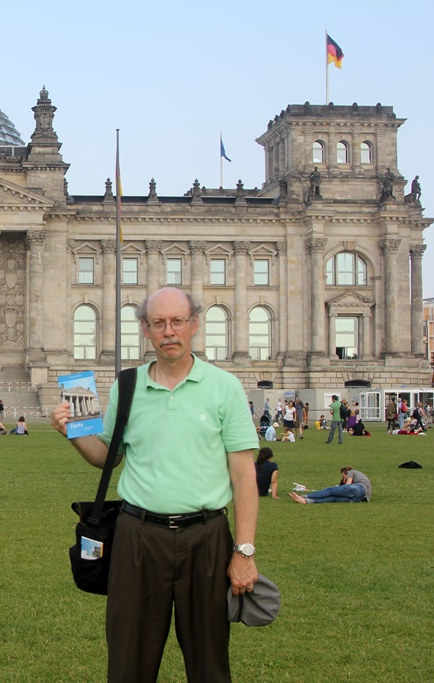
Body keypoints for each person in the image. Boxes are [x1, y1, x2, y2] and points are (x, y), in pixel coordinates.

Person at [51, 287, 259, 682]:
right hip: (137, 537)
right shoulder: (126, 386)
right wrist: (74, 432)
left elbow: (244, 475)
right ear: (145, 329)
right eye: (158, 323)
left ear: (194, 325)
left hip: (207, 536)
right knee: (129, 660)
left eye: (177, 321)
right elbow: (108, 457)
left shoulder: (224, 387)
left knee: (209, 661)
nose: (169, 331)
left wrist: (243, 551)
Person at [289, 467, 372, 504]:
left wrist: (338, 488)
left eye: (343, 477)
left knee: (330, 491)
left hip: (358, 489)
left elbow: (347, 485)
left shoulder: (351, 472)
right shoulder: (361, 478)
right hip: (361, 498)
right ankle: (306, 501)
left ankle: (304, 496)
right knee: (332, 498)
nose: (343, 479)